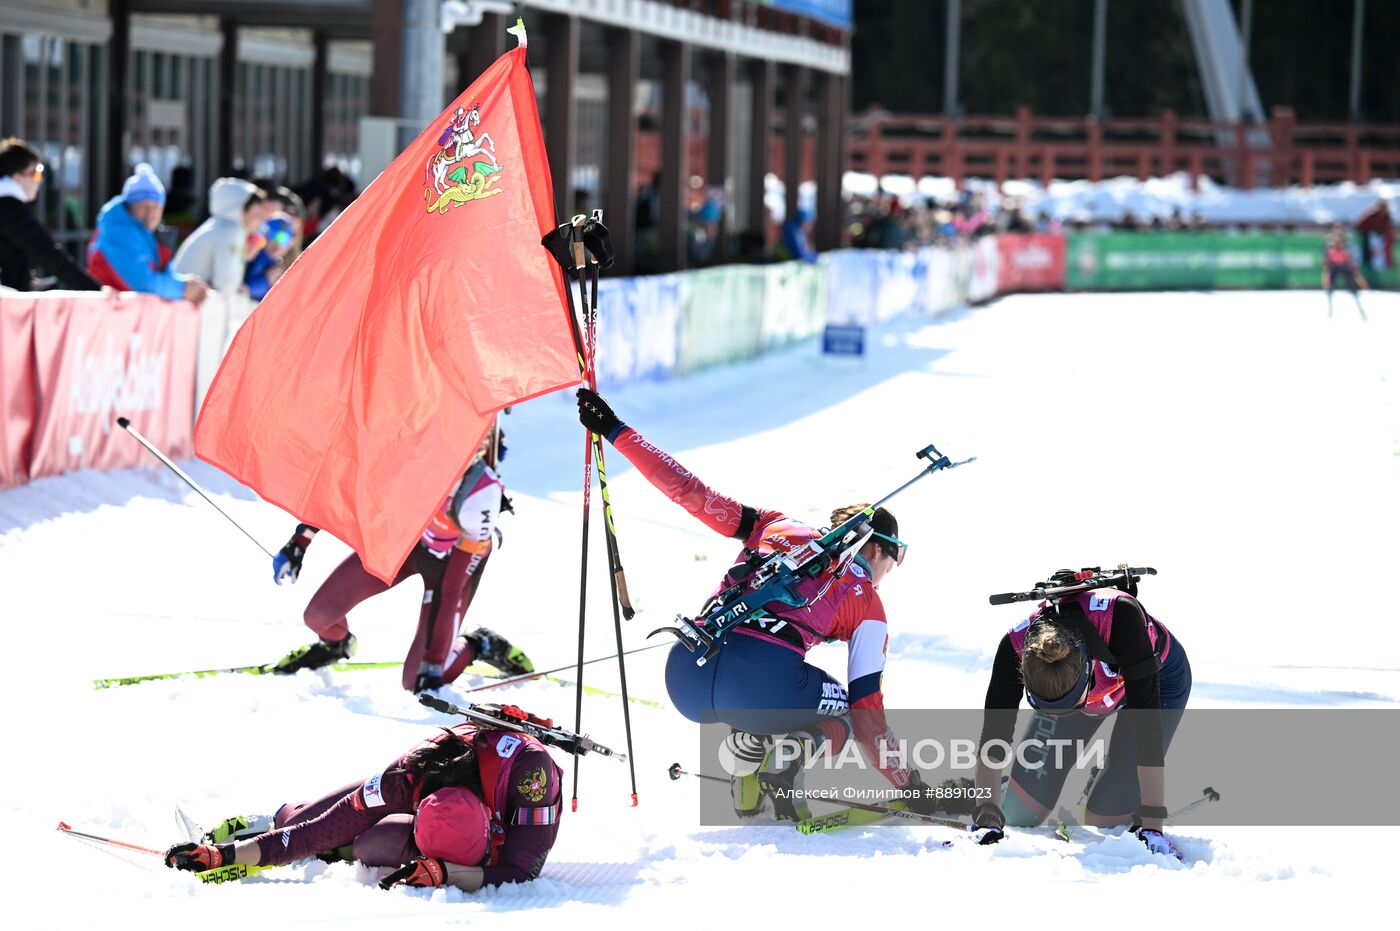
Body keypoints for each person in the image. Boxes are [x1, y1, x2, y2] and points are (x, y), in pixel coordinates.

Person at [575, 388, 939, 821]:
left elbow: (688, 492)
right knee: (839, 705)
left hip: (684, 674)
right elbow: (868, 717)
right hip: (757, 686)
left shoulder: (775, 524)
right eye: (896, 558)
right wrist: (910, 786)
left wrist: (616, 430)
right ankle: (788, 756)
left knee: (773, 666)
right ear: (877, 550)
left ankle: (746, 784)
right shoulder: (868, 602)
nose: (891, 569)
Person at [270, 425, 533, 692]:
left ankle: (479, 643)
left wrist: (432, 664)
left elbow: (450, 590)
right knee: (318, 616)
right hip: (405, 545)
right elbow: (343, 487)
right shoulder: (408, 453)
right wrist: (300, 540)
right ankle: (336, 645)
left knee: (417, 681)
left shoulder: (480, 492)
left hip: (451, 565)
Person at [164, 717, 563, 891]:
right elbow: (315, 830)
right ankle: (272, 819)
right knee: (311, 822)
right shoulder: (406, 777)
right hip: (447, 809)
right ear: (418, 805)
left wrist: (445, 872)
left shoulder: (532, 779)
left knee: (375, 844)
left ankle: (353, 852)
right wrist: (227, 855)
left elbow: (522, 871)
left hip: (502, 829)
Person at [971, 572, 1192, 859]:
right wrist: (987, 815)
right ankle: (990, 788)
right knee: (1018, 813)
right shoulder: (1013, 647)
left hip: (1158, 682)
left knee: (1106, 817)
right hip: (1091, 691)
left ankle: (1101, 780)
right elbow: (994, 739)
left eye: (1071, 706)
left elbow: (1147, 733)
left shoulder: (1123, 622)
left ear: (1087, 672)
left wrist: (1152, 826)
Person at [87, 163, 208, 305]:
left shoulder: (151, 234)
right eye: (143, 206)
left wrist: (185, 283)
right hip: (107, 316)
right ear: (129, 208)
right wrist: (182, 288)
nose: (150, 213)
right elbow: (142, 282)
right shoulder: (117, 232)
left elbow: (160, 274)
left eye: (155, 207)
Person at [0, 137, 101, 292]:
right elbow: (48, 253)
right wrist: (96, 289)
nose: (40, 181)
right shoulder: (9, 208)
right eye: (36, 173)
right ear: (17, 177)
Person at [171, 178, 271, 294]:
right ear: (239, 207)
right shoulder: (231, 231)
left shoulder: (220, 226)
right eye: (258, 211)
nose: (262, 218)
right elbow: (227, 285)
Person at [244, 213, 295, 301]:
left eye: (283, 239)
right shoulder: (252, 253)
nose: (277, 243)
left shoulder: (277, 264)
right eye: (273, 236)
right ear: (264, 235)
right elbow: (243, 288)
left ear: (289, 244)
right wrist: (266, 279)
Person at [1322, 225, 1368, 320]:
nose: (1338, 236)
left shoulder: (1347, 244)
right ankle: (1329, 307)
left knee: (1352, 286)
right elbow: (1326, 260)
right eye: (1336, 234)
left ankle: (1356, 296)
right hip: (1334, 267)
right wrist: (1326, 271)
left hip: (1345, 266)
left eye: (1340, 234)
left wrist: (1353, 268)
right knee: (1330, 287)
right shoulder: (1329, 245)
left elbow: (1351, 258)